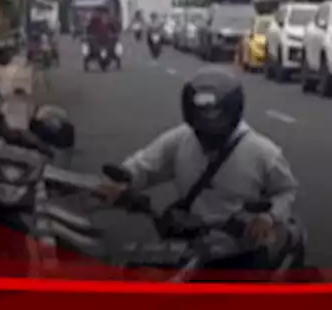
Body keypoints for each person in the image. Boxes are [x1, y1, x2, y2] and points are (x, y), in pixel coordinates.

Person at [103, 69, 299, 275]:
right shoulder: (182, 139)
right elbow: (146, 165)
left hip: (239, 248)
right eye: (201, 112)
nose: (208, 120)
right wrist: (122, 183)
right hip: (187, 240)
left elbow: (286, 191)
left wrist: (268, 217)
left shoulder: (262, 152)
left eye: (214, 113)